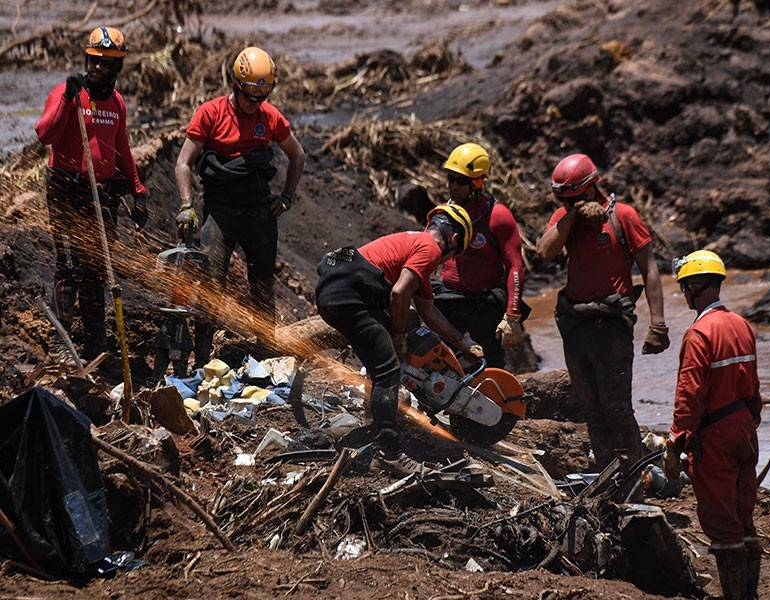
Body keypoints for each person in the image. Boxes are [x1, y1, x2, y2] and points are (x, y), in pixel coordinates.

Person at [315, 205, 484, 475]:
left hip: (338, 291)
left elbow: (428, 311)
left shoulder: (414, 244)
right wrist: (398, 334)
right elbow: (399, 293)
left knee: (379, 363)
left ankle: (378, 426)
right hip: (349, 295)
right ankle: (389, 453)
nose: (443, 263)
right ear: (453, 240)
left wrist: (462, 343)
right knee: (388, 370)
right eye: (452, 255)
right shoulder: (429, 248)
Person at [536, 153, 669, 469]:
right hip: (575, 325)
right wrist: (570, 215)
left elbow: (650, 269)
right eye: (563, 199)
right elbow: (544, 251)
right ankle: (607, 473)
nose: (570, 203)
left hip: (612, 325)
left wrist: (658, 324)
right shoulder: (565, 219)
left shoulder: (623, 216)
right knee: (591, 409)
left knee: (617, 407)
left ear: (593, 187)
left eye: (575, 197)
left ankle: (632, 476)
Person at [174, 46, 305, 363]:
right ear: (235, 85)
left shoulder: (269, 116)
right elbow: (182, 163)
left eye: (261, 98)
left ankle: (267, 356)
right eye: (250, 98)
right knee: (210, 288)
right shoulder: (210, 114)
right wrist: (187, 205)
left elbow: (297, 155)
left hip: (259, 214)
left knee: (262, 288)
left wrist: (286, 197)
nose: (255, 105)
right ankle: (203, 358)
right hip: (220, 214)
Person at [35, 26, 147, 358]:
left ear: (117, 68)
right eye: (94, 61)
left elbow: (121, 147)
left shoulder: (117, 103)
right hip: (65, 191)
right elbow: (45, 134)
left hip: (101, 198)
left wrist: (138, 190)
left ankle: (96, 348)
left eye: (106, 63)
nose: (97, 68)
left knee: (96, 273)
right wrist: (69, 100)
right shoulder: (67, 93)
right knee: (68, 266)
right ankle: (61, 347)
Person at [663, 250, 761, 600]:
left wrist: (676, 442)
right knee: (743, 515)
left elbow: (689, 394)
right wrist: (750, 423)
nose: (684, 295)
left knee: (722, 523)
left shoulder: (699, 334)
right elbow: (754, 386)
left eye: (685, 287)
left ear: (693, 287)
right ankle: (749, 594)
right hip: (744, 428)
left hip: (716, 435)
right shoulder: (741, 325)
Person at [433, 143, 528, 368]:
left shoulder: (498, 217)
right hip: (448, 302)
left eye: (460, 182)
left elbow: (515, 266)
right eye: (450, 179)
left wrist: (512, 316)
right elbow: (426, 255)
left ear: (477, 182)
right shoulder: (443, 216)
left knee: (490, 368)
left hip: (484, 306)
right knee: (441, 365)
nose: (452, 187)